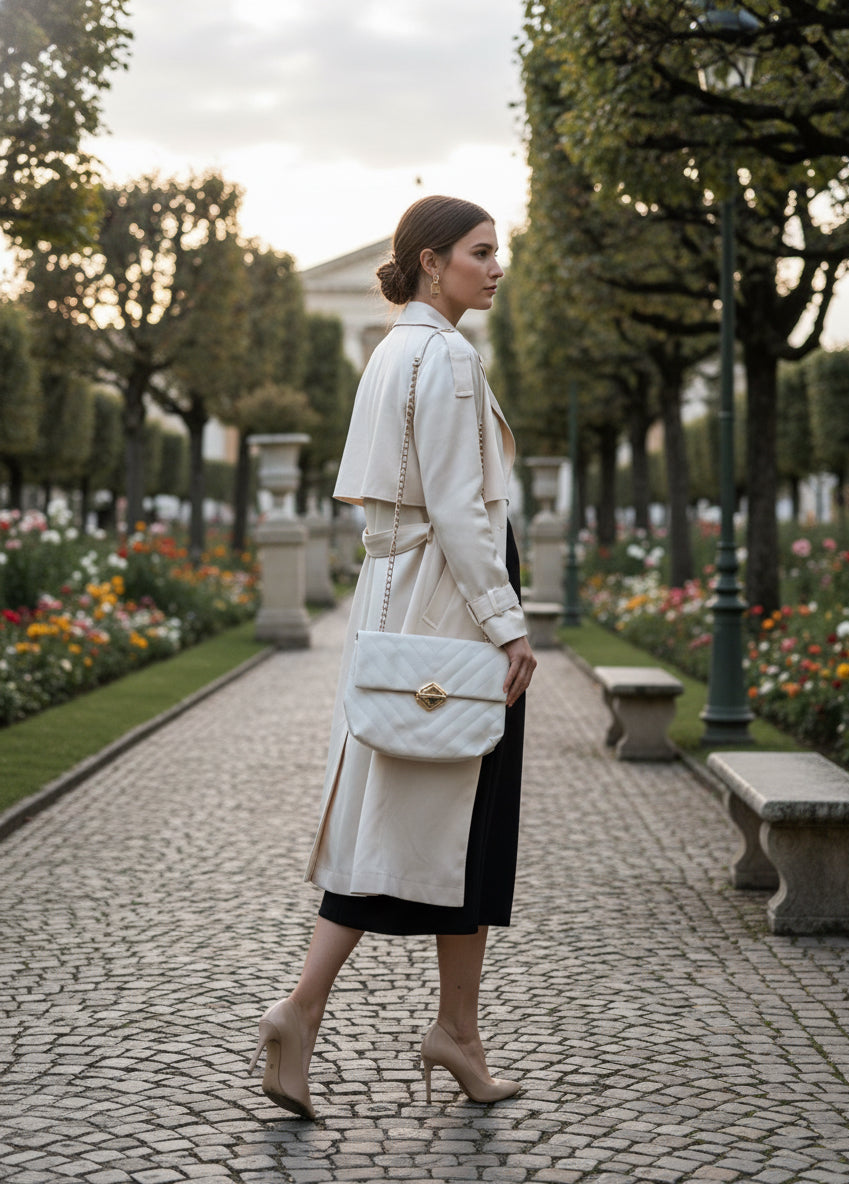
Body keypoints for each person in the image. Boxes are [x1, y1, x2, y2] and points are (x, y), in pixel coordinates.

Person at [248, 195, 537, 1119]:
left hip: (398, 604)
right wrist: (507, 622)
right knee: (441, 821)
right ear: (429, 262)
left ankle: (455, 1032)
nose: (495, 268)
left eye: (497, 252)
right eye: (480, 252)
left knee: (425, 823)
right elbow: (457, 510)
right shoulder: (445, 356)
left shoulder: (389, 351)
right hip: (448, 615)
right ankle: (307, 1010)